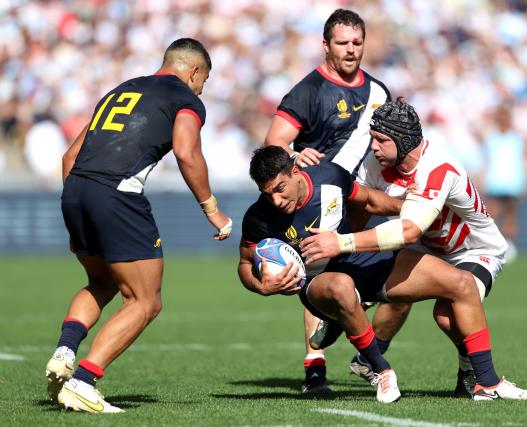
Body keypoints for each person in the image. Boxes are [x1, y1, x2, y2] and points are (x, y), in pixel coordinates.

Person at [300, 99, 527, 400]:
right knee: (381, 287)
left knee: (446, 312)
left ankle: (478, 376)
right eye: (372, 138)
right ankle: (356, 330)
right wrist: (342, 259)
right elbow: (360, 209)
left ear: (403, 140)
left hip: (474, 251)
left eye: (381, 140)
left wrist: (341, 242)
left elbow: (408, 230)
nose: (373, 146)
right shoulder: (377, 163)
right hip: (430, 250)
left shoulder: (438, 168)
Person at [45, 38, 232, 413]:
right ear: (193, 71)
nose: (201, 89)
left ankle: (64, 352)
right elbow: (186, 151)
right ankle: (83, 381)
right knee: (145, 300)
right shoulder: (186, 99)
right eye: (203, 81)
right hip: (116, 194)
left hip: (77, 190)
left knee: (102, 283)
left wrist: (77, 217)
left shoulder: (122, 88)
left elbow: (70, 157)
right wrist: (212, 209)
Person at [264, 8, 392, 394]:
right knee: (316, 273)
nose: (351, 50)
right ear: (325, 46)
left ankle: (349, 321)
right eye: (342, 43)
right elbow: (274, 141)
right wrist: (292, 156)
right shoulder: (309, 90)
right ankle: (315, 371)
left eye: (357, 43)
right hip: (320, 199)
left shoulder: (378, 92)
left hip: (363, 197)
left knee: (390, 273)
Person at [482, 103, 527, 264]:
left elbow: (523, 161)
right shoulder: (491, 138)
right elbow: (486, 161)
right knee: (491, 215)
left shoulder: (517, 139)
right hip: (495, 181)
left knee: (511, 215)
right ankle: (493, 244)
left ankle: (509, 245)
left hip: (513, 181)